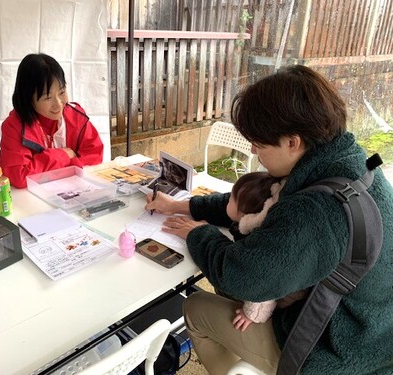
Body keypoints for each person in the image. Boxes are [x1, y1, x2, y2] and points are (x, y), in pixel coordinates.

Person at [144, 65, 392, 375]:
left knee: (196, 308)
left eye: (259, 144)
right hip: (373, 327)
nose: (252, 150)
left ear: (292, 141)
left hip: (341, 352)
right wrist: (183, 207)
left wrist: (201, 234)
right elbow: (254, 204)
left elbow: (244, 278)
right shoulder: (344, 165)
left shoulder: (316, 210)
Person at [0, 53, 103, 188]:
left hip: (73, 192)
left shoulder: (75, 116)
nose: (59, 104)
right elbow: (19, 177)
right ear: (28, 99)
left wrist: (64, 168)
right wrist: (63, 155)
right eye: (48, 97)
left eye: (62, 92)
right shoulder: (14, 126)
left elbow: (94, 157)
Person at [224, 172, 286, 332]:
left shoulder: (260, 242)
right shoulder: (262, 221)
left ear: (244, 213)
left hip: (274, 309)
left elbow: (263, 283)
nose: (227, 200)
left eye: (231, 198)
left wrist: (252, 314)